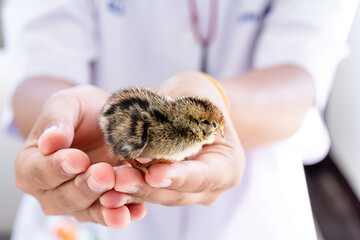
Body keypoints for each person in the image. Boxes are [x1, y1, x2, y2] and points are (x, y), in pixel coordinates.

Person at [3, 0, 358, 239]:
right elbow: (41, 61)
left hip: (253, 211)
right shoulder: (162, 131)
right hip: (93, 200)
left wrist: (213, 94)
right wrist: (60, 122)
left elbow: (300, 72)